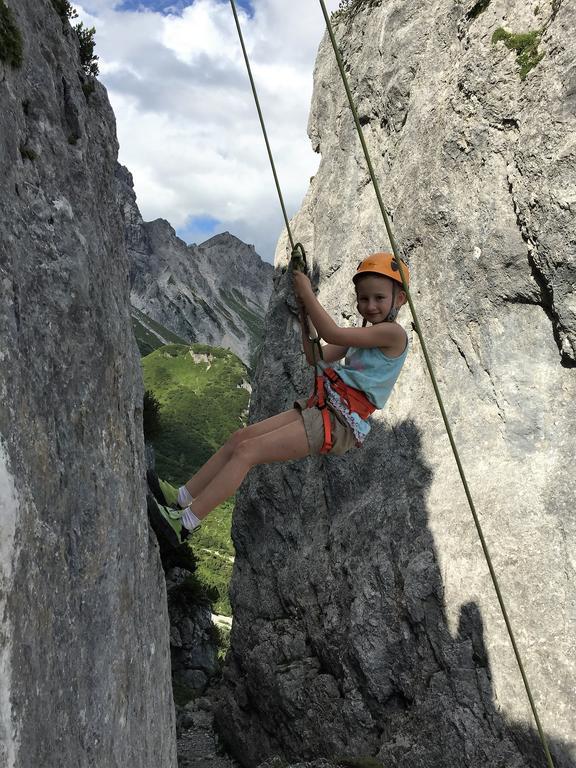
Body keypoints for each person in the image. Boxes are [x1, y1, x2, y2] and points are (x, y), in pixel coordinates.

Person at [147, 251, 409, 548]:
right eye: (363, 299)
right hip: (324, 409)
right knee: (239, 439)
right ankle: (180, 498)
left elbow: (332, 333)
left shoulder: (393, 334)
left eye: (378, 298)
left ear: (399, 299)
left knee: (247, 452)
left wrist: (307, 292)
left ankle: (184, 525)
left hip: (338, 422)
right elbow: (315, 356)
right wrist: (303, 311)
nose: (370, 306)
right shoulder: (368, 336)